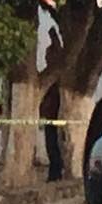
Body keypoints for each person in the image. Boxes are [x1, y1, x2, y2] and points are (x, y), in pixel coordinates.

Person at [41, 28, 64, 183]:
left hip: (59, 116)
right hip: (50, 116)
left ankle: (56, 172)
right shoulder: (47, 75)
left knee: (56, 146)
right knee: (50, 145)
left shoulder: (61, 76)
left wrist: (54, 35)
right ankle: (54, 173)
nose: (47, 57)